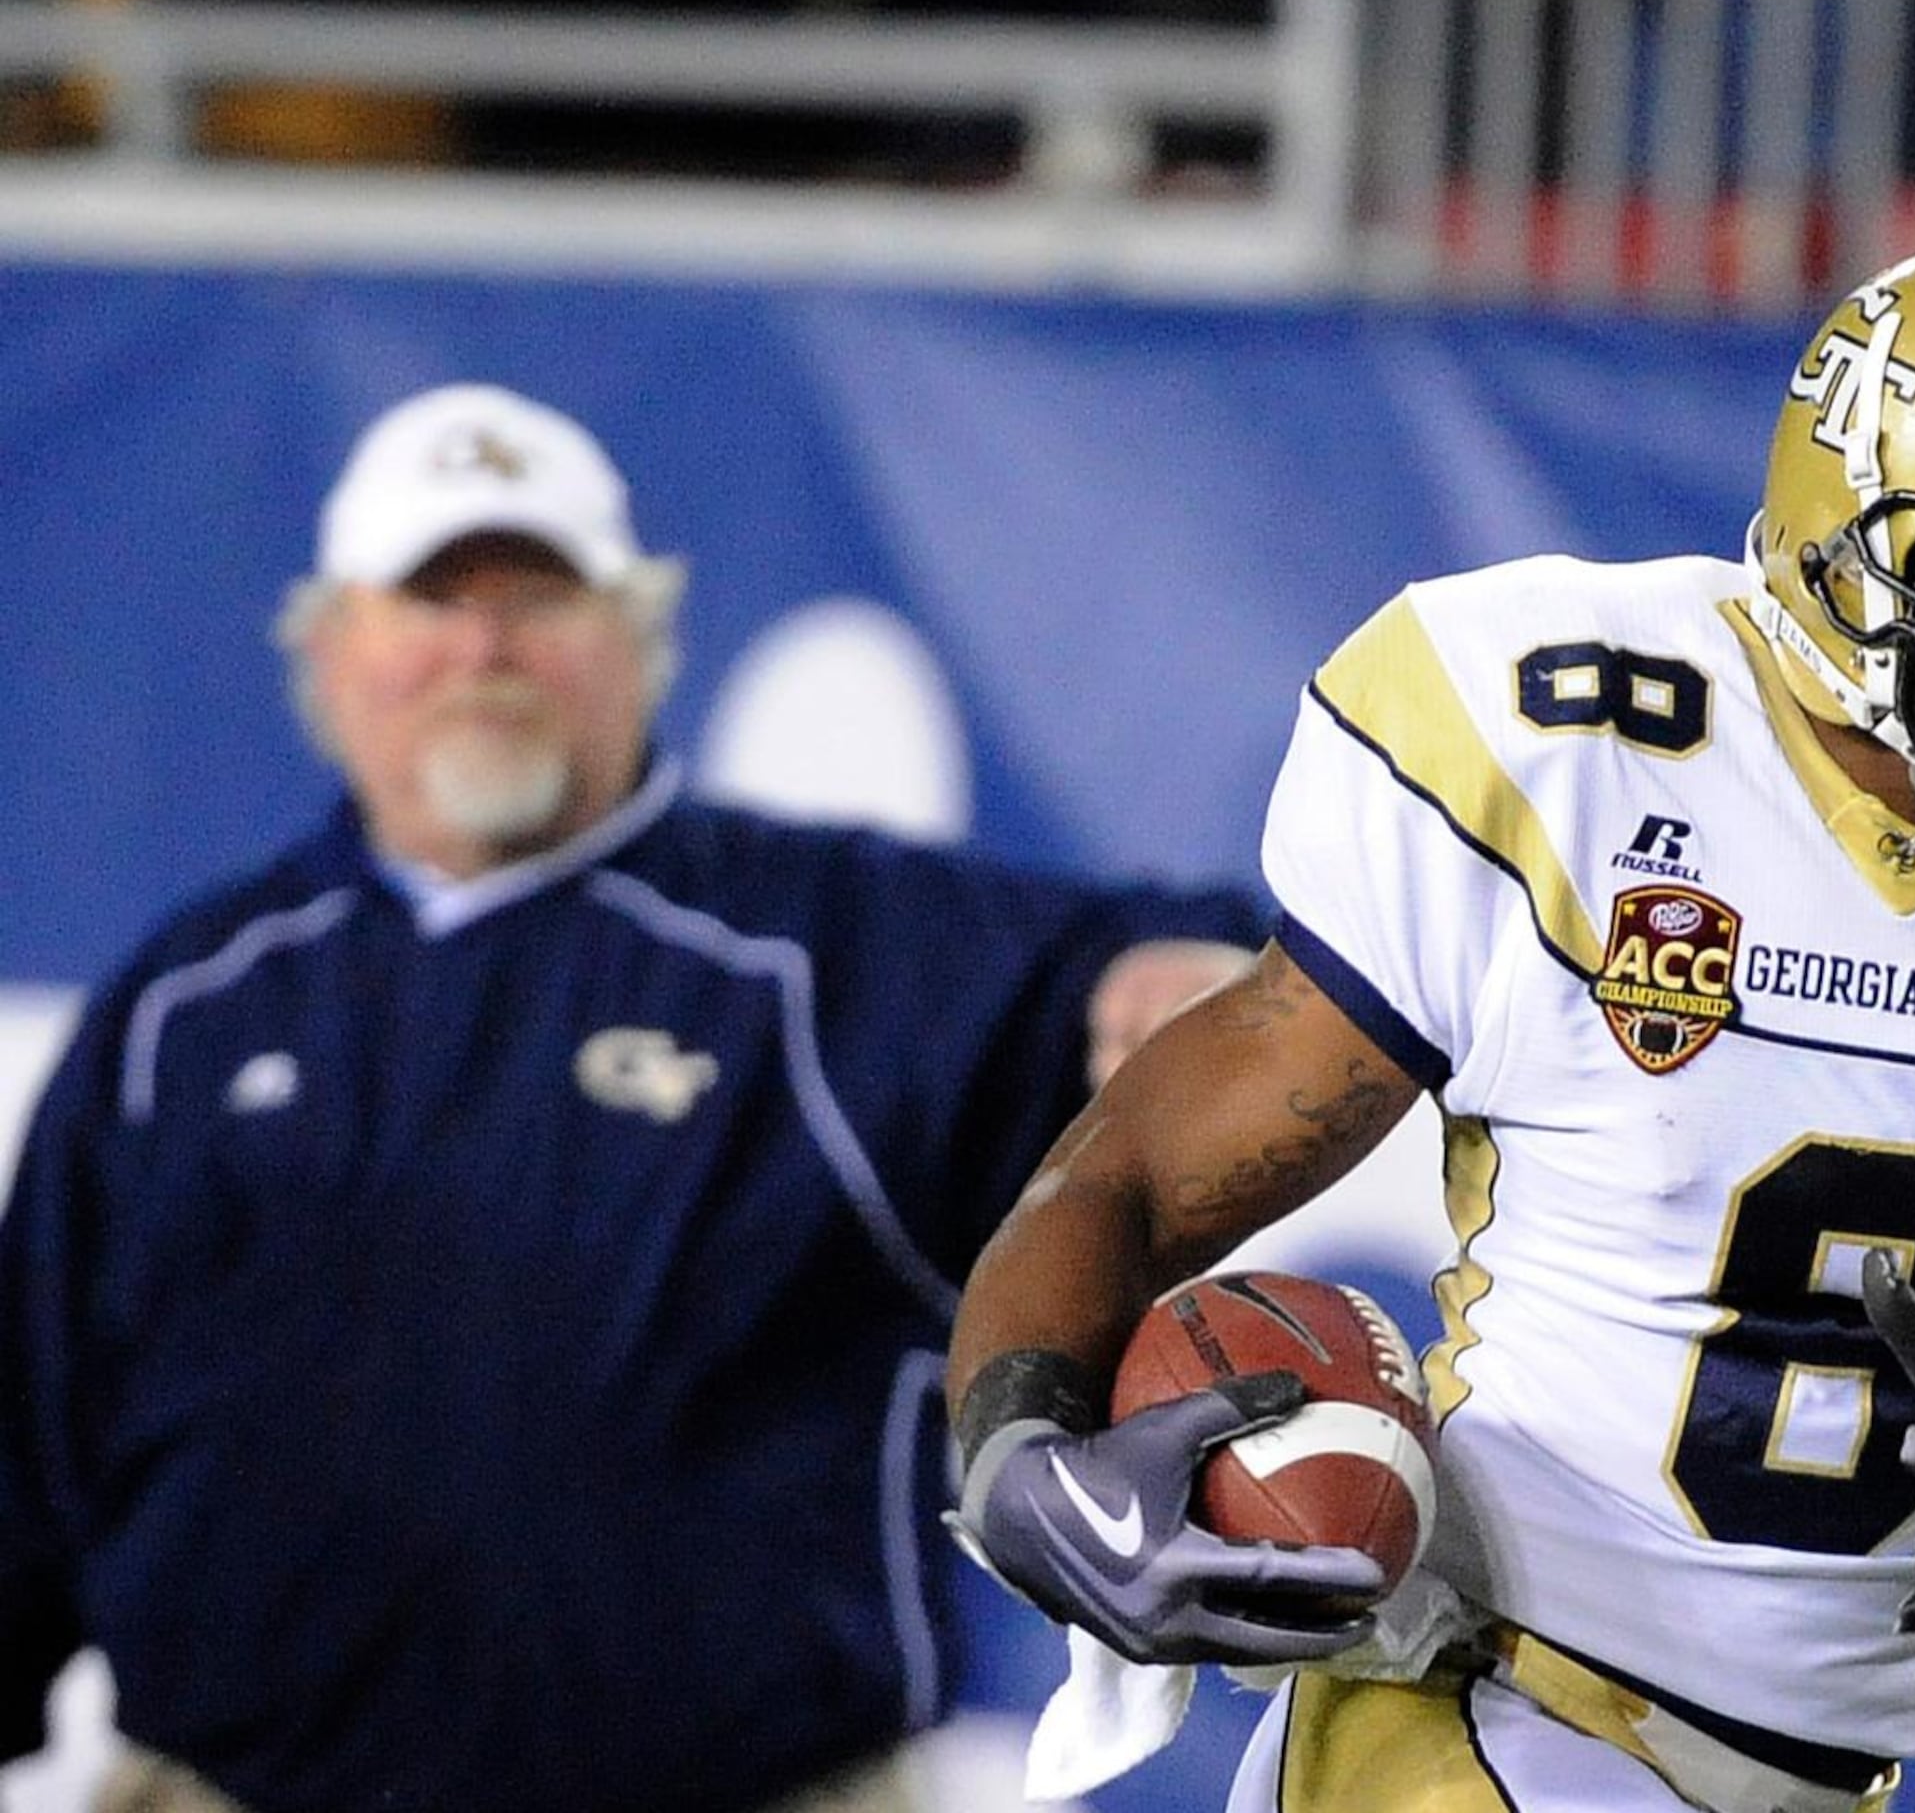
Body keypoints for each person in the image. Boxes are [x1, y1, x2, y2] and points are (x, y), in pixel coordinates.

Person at [941, 238, 1915, 1807]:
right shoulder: (1572, 741)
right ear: (1846, 536)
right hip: (1493, 1722)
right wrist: (1020, 1458)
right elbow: (1133, 1178)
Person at [0, 383, 1264, 1811]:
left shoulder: (828, 951)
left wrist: (1177, 978)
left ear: (641, 640)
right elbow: (30, 1422)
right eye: (431, 599)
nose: (484, 647)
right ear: (330, 651)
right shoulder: (188, 1006)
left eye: (539, 596)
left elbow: (1179, 968)